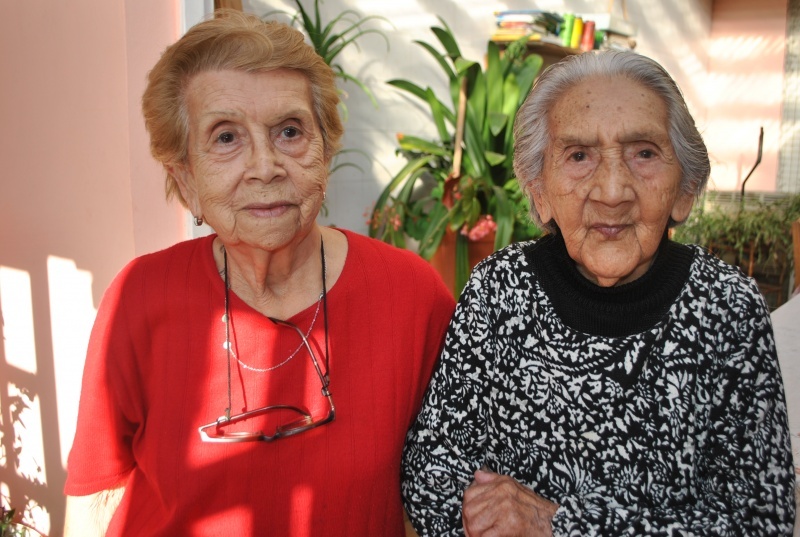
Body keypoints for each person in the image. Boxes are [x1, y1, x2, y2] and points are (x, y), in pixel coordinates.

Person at [63, 10, 455, 536]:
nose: (266, 166)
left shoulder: (411, 295)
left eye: (289, 131)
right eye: (226, 138)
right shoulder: (140, 296)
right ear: (186, 180)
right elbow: (97, 498)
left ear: (326, 150)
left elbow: (443, 493)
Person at [401, 50, 796, 536]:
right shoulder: (498, 291)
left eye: (644, 152)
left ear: (686, 188)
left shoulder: (728, 307)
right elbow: (431, 471)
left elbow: (761, 520)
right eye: (579, 155)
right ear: (538, 189)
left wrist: (562, 525)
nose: (612, 191)